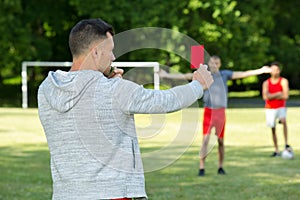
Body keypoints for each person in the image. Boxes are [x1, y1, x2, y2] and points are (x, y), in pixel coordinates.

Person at [37, 18, 213, 200]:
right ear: (96, 52)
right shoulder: (115, 90)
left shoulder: (45, 90)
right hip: (113, 193)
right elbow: (165, 100)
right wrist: (198, 86)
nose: (113, 57)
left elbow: (88, 97)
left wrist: (108, 81)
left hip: (66, 194)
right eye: (111, 50)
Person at [159, 55, 271, 176]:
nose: (214, 65)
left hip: (220, 112)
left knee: (220, 141)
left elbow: (243, 74)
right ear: (209, 64)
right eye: (212, 63)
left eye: (216, 63)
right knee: (205, 140)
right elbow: (187, 76)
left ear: (220, 64)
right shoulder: (204, 76)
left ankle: (220, 166)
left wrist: (261, 70)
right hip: (209, 111)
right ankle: (202, 167)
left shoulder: (224, 74)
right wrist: (166, 75)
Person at [262, 62, 291, 157]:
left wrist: (272, 96)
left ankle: (286, 144)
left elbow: (286, 95)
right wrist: (278, 94)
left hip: (281, 106)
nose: (275, 71)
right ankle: (276, 149)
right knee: (273, 128)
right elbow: (265, 96)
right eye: (273, 69)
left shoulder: (283, 81)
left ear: (279, 70)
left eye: (276, 69)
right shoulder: (266, 83)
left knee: (283, 121)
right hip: (270, 108)